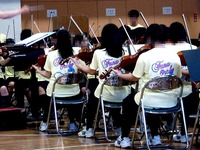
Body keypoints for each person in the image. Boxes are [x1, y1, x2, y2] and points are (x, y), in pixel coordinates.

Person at [112, 24, 182, 148]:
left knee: (128, 102)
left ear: (149, 38)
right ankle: (155, 137)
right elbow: (177, 78)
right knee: (150, 100)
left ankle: (125, 138)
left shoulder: (145, 56)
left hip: (149, 100)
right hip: (171, 101)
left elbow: (134, 78)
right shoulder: (175, 56)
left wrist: (120, 74)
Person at [70, 23, 131, 138]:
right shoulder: (125, 53)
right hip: (124, 94)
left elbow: (92, 71)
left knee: (92, 101)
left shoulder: (98, 53)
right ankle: (118, 128)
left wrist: (79, 64)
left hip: (106, 93)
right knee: (113, 97)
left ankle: (89, 128)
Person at [32, 29, 85, 132]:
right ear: (70, 40)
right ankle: (73, 122)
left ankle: (44, 122)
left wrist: (39, 71)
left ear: (57, 41)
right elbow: (83, 69)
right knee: (74, 94)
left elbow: (48, 75)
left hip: (55, 94)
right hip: (74, 94)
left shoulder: (51, 55)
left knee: (47, 97)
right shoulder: (77, 53)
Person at [166, 22, 199, 143]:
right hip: (190, 89)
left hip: (171, 89)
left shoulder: (167, 49)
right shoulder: (193, 48)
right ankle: (183, 132)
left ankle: (162, 129)